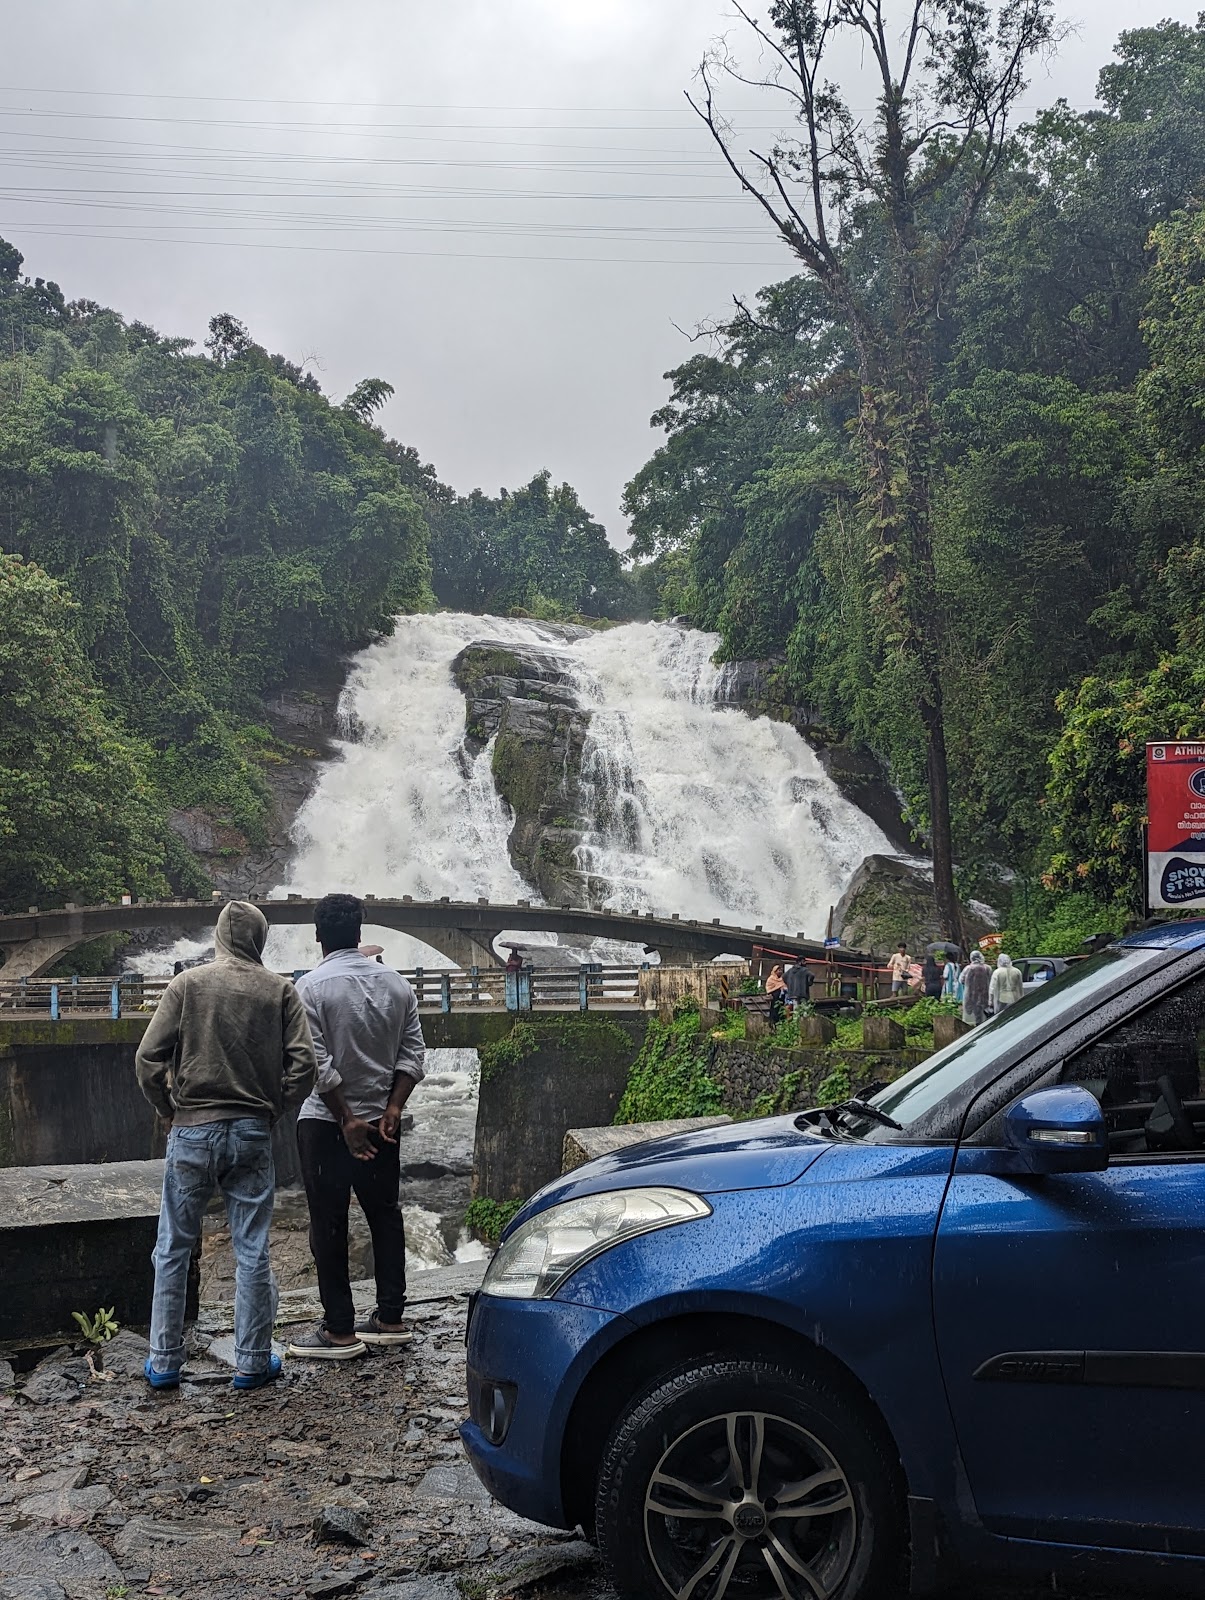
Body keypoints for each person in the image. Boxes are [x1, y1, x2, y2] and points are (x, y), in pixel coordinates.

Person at [135, 901, 316, 1392]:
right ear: (260, 939)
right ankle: (253, 1361)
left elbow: (148, 1058)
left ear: (218, 936)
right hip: (252, 1131)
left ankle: (164, 1361)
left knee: (173, 1246)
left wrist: (168, 1109)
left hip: (192, 1128)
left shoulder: (186, 985)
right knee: (253, 1248)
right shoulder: (280, 989)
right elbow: (306, 1065)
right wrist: (275, 1107)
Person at [288, 893, 426, 1361]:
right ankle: (390, 1318)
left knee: (329, 1223)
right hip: (382, 1124)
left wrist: (346, 1119)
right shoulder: (397, 985)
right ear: (360, 932)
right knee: (385, 1215)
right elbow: (413, 1055)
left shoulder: (310, 987)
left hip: (327, 1123)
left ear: (319, 935)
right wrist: (392, 1108)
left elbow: (316, 1064)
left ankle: (340, 1330)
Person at [960, 949, 991, 1027]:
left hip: (970, 995)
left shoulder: (968, 969)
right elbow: (990, 979)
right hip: (984, 994)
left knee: (971, 1017)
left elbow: (961, 980)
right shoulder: (987, 968)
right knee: (983, 1016)